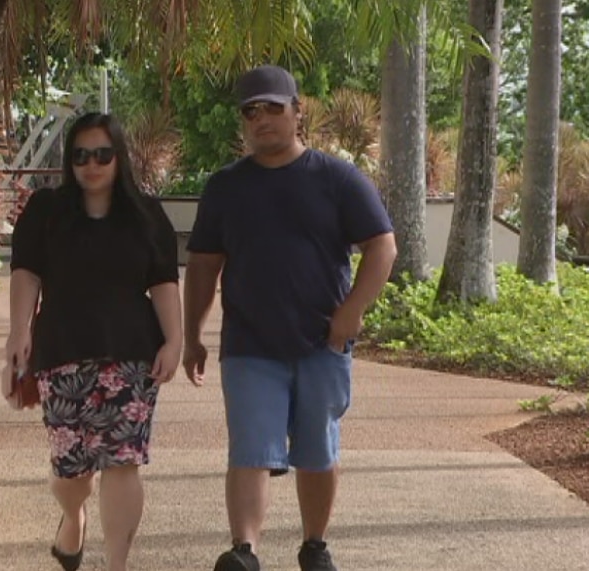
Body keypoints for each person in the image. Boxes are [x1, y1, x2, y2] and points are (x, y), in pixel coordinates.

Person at [182, 65, 397, 571]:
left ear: (298, 111)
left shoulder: (337, 178)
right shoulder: (225, 187)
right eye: (250, 112)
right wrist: (192, 335)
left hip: (321, 343)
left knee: (317, 451)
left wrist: (351, 313)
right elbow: (203, 266)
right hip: (250, 344)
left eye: (272, 108)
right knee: (251, 449)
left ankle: (314, 543)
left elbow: (382, 247)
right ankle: (244, 550)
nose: (261, 119)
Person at [6, 112, 186, 571]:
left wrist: (175, 340)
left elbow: (164, 282)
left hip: (130, 353)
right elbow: (26, 271)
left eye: (102, 154)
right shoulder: (47, 211)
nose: (92, 164)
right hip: (61, 351)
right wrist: (19, 331)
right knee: (71, 469)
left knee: (122, 461)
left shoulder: (146, 215)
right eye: (81, 155)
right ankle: (72, 517)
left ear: (119, 158)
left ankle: (117, 564)